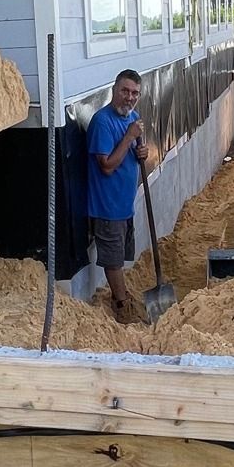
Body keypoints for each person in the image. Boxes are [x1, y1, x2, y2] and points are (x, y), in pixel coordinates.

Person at [87, 68, 150, 322]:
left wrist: (141, 152)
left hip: (125, 203)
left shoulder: (133, 118)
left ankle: (122, 297)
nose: (130, 97)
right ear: (114, 90)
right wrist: (129, 136)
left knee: (120, 256)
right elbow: (107, 165)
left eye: (135, 93)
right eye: (125, 91)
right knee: (113, 260)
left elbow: (132, 153)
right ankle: (122, 306)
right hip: (108, 204)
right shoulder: (102, 122)